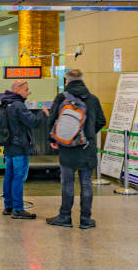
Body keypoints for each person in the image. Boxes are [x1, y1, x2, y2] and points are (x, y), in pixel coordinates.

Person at [46, 70, 106, 229]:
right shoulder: (93, 99)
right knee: (86, 184)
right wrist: (88, 135)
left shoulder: (61, 98)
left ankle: (65, 216)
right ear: (81, 80)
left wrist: (54, 139)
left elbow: (51, 120)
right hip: (87, 148)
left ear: (67, 81)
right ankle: (86, 219)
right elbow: (101, 121)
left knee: (67, 183)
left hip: (67, 148)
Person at [1, 79, 49, 220]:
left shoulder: (5, 103)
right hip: (19, 147)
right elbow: (33, 122)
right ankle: (18, 209)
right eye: (26, 89)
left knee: (9, 176)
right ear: (17, 89)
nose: (28, 92)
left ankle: (8, 206)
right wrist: (43, 113)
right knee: (19, 177)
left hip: (9, 146)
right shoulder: (18, 105)